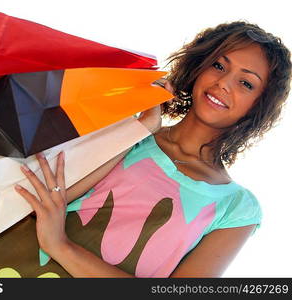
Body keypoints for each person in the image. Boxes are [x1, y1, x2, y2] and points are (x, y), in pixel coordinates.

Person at [15, 21, 292, 277]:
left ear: (259, 104)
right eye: (219, 66)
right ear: (198, 67)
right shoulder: (129, 132)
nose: (223, 83)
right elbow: (32, 201)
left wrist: (61, 246)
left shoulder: (237, 208)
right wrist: (141, 128)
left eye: (246, 83)